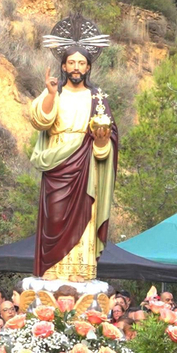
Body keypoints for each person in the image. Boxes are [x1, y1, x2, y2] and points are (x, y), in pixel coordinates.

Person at [26, 16, 117, 281]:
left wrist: (101, 141)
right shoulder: (55, 93)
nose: (76, 68)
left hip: (86, 167)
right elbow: (40, 121)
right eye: (71, 63)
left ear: (89, 67)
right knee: (54, 218)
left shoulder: (97, 97)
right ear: (63, 65)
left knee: (86, 215)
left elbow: (109, 137)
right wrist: (50, 94)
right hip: (57, 165)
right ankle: (52, 271)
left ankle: (80, 272)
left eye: (81, 63)